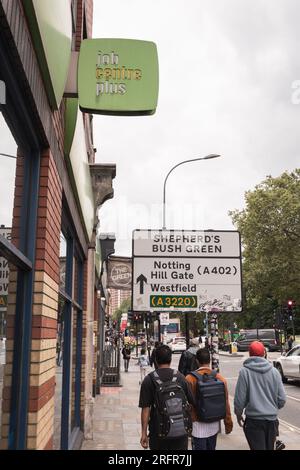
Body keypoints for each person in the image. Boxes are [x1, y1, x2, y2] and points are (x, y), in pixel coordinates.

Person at [139, 344, 194, 450]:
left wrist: (144, 433)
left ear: (155, 359)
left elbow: (145, 409)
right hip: (180, 432)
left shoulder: (149, 380)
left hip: (158, 433)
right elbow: (191, 404)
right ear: (170, 359)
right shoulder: (180, 377)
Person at [234, 340, 286, 450]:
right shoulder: (274, 372)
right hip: (271, 421)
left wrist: (238, 414)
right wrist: (271, 407)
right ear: (264, 353)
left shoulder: (245, 372)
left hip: (253, 421)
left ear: (250, 354)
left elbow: (240, 399)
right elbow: (282, 399)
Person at [186, 348, 233, 450]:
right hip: (214, 424)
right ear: (210, 360)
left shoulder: (189, 379)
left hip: (197, 426)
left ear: (197, 361)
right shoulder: (220, 379)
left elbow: (186, 405)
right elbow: (226, 404)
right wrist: (228, 423)